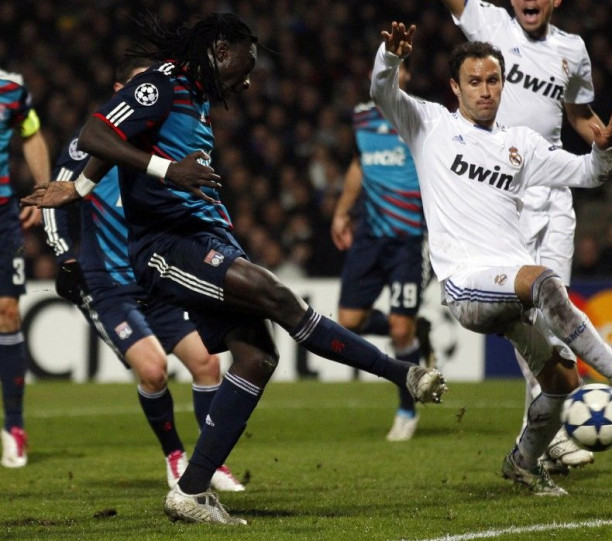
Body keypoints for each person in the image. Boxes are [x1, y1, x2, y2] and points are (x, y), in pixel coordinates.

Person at [21, 13, 447, 524]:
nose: (247, 80)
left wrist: (82, 188)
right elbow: (97, 132)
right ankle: (403, 374)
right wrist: (165, 170)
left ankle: (192, 490)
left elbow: (121, 142)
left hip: (207, 236)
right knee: (280, 298)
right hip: (167, 246)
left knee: (257, 358)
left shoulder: (196, 98)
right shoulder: (163, 82)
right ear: (221, 50)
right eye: (244, 66)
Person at [370, 21, 612, 495]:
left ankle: (523, 462)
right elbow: (382, 94)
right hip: (466, 284)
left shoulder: (521, 145)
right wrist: (389, 58)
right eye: (474, 82)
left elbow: (586, 173)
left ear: (504, 83)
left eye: (493, 80)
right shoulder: (429, 125)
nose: (485, 91)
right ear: (454, 87)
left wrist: (607, 150)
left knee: (560, 379)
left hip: (508, 286)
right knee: (544, 280)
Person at [440, 0, 612, 473]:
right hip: (504, 189)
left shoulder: (571, 50)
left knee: (555, 310)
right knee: (532, 315)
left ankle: (545, 435)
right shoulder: (490, 23)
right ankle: (551, 432)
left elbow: (583, 118)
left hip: (553, 184)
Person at [42, 58, 244, 492]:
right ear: (119, 90)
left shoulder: (165, 145)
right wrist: (63, 257)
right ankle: (174, 456)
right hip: (110, 283)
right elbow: (56, 199)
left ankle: (208, 464)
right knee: (153, 371)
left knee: (209, 364)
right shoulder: (85, 147)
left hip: (157, 276)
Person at [331, 61, 436, 442]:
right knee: (348, 322)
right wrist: (342, 212)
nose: (395, 75)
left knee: (398, 328)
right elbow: (360, 165)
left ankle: (407, 408)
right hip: (369, 237)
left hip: (408, 239)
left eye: (402, 70)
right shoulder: (360, 118)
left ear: (408, 77)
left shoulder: (419, 117)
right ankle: (418, 331)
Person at [0, 66, 50, 468]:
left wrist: (42, 190)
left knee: (8, 312)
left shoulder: (12, 89)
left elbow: (30, 133)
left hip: (3, 218)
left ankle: (14, 427)